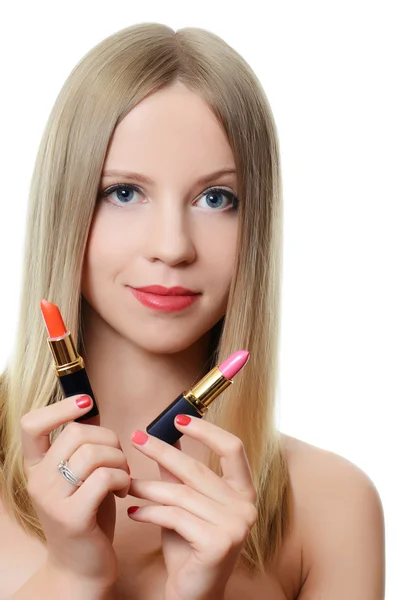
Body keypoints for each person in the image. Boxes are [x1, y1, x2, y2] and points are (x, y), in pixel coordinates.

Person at [0, 22, 385, 600]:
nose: (174, 246)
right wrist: (71, 578)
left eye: (216, 199)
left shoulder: (333, 508)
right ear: (66, 205)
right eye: (124, 192)